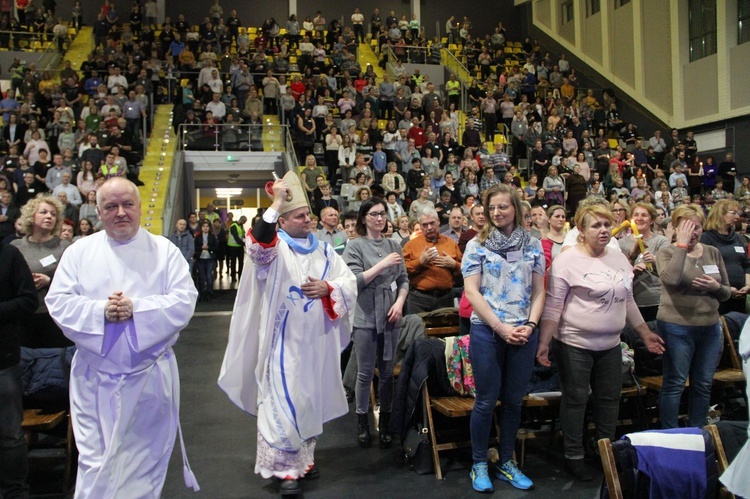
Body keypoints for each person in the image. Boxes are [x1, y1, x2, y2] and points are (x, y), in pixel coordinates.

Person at [45, 178, 200, 497]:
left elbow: (184, 300)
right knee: (96, 464)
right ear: (98, 211)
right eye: (111, 206)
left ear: (140, 208)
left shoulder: (164, 251)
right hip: (94, 379)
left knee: (142, 465)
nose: (120, 213)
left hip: (149, 380)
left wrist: (136, 309)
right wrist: (101, 311)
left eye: (128, 204)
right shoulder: (79, 252)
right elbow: (58, 302)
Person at [219, 171, 357, 496]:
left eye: (308, 214)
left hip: (315, 342)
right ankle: (284, 470)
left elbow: (347, 280)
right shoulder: (276, 248)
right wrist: (277, 201)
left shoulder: (324, 250)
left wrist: (329, 287)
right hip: (282, 341)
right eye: (299, 215)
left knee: (308, 399)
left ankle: (304, 459)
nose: (307, 219)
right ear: (282, 222)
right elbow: (258, 245)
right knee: (283, 400)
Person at [537, 203, 664, 481]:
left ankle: (606, 452)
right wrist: (544, 343)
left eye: (607, 224)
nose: (604, 230)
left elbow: (627, 300)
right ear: (581, 230)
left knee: (609, 400)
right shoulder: (566, 261)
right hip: (573, 344)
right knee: (576, 400)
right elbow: (553, 306)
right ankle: (574, 456)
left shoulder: (619, 259)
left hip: (610, 344)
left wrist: (644, 333)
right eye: (596, 225)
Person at [462, 184, 545, 493]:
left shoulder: (534, 245)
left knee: (513, 402)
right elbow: (472, 292)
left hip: (523, 332)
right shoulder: (476, 245)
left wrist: (532, 325)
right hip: (488, 330)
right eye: (492, 208)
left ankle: (507, 462)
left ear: (516, 209)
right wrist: (499, 327)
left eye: (503, 207)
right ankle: (480, 463)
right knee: (485, 401)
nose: (497, 213)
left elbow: (540, 291)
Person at [656, 204, 731, 429]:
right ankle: (671, 435)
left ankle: (698, 433)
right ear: (677, 228)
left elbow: (727, 292)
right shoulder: (666, 252)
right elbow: (671, 280)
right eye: (687, 227)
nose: (693, 232)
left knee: (703, 384)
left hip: (709, 327)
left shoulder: (712, 252)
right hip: (676, 327)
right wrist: (681, 245)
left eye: (697, 227)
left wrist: (716, 286)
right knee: (676, 383)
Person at [343, 197, 409, 448]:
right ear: (363, 218)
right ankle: (362, 420)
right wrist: (383, 264)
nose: (379, 218)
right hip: (365, 313)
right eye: (373, 214)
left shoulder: (394, 244)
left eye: (382, 214)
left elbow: (403, 279)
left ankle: (386, 422)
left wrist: (400, 302)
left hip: (391, 312)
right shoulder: (355, 246)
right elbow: (354, 282)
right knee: (365, 372)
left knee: (387, 373)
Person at [0, 240, 37, 499]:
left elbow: (27, 300)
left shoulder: (9, 254)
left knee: (10, 434)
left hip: (3, 359)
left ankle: (15, 492)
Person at [11, 195, 72, 348]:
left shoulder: (64, 247)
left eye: (53, 214)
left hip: (53, 316)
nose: (49, 216)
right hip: (23, 316)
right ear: (32, 216)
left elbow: (75, 282)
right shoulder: (16, 247)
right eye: (44, 212)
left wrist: (50, 281)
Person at [403, 208, 462, 313]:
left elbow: (465, 269)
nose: (429, 228)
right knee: (417, 329)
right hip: (419, 299)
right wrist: (420, 262)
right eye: (425, 225)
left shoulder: (451, 243)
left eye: (432, 223)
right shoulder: (410, 245)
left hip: (445, 298)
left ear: (438, 221)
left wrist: (454, 265)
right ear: (420, 226)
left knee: (447, 330)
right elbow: (402, 271)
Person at [619, 203, 670, 322]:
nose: (639, 218)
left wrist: (654, 260)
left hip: (657, 300)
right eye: (636, 215)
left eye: (644, 215)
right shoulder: (622, 243)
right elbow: (619, 273)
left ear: (651, 220)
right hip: (632, 300)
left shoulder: (661, 241)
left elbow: (669, 270)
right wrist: (632, 268)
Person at [700, 199, 750, 314]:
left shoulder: (737, 238)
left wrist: (748, 285)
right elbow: (704, 268)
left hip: (740, 296)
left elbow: (747, 264)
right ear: (720, 214)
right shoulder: (706, 238)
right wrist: (725, 288)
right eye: (733, 213)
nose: (737, 217)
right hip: (717, 297)